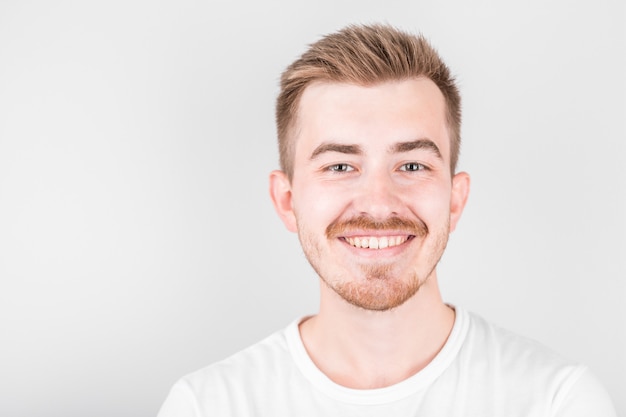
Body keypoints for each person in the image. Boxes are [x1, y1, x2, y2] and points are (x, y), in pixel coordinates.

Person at [157, 24, 616, 416]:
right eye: (340, 166)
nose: (378, 204)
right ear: (287, 200)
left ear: (456, 200)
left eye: (412, 166)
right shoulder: (208, 406)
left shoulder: (556, 403)